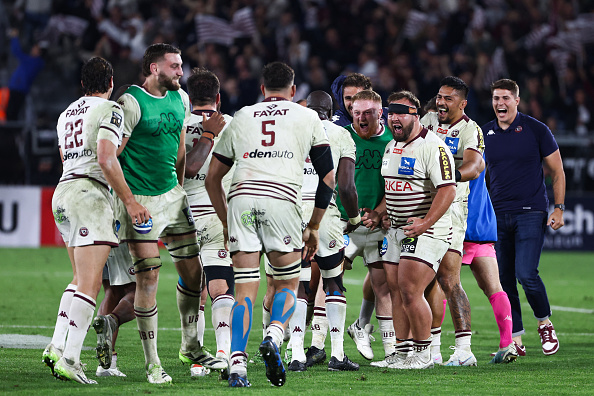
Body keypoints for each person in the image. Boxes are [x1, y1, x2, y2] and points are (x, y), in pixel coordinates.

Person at [205, 62, 335, 387]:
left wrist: (225, 222)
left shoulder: (242, 116)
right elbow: (329, 177)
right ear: (293, 91)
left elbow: (212, 179)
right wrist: (315, 225)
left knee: (245, 290)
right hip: (281, 202)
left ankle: (236, 365)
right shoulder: (307, 116)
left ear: (262, 89)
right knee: (288, 284)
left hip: (241, 201)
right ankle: (275, 337)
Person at [115, 43, 225, 384]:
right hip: (142, 201)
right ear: (154, 68)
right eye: (174, 66)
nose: (181, 72)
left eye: (180, 65)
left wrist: (178, 189)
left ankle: (191, 345)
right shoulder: (130, 102)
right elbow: (112, 154)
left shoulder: (182, 100)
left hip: (173, 198)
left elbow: (179, 152)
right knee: (148, 276)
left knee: (195, 277)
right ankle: (152, 364)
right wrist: (127, 201)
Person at [42, 56, 149, 384]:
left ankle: (56, 346)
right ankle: (71, 359)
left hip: (62, 192)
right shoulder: (110, 110)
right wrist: (129, 201)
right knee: (90, 282)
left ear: (82, 84)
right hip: (90, 195)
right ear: (111, 82)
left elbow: (64, 157)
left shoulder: (65, 114)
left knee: (78, 277)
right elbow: (106, 157)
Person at [365, 90, 456, 369]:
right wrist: (380, 212)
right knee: (395, 289)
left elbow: (448, 190)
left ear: (416, 116)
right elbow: (392, 189)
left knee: (409, 287)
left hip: (427, 230)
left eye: (401, 112)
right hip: (396, 229)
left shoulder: (433, 146)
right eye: (391, 113)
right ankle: (402, 352)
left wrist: (425, 223)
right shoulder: (392, 146)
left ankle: (424, 352)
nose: (394, 118)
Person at [483, 78, 565, 356]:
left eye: (506, 98)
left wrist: (559, 208)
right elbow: (478, 174)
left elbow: (557, 171)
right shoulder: (484, 134)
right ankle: (516, 338)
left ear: (517, 101)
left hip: (531, 211)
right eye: (496, 98)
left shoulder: (536, 129)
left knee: (526, 273)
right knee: (504, 279)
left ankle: (544, 323)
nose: (500, 103)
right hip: (497, 215)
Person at [285, 90, 360, 372]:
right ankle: (337, 355)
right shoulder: (341, 135)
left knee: (298, 285)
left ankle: (295, 355)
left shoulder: (292, 131)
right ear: (332, 110)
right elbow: (346, 186)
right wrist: (352, 218)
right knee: (333, 281)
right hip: (324, 212)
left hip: (290, 213)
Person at [420, 76, 485, 366]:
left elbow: (472, 166)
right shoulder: (429, 119)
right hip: (422, 205)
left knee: (448, 278)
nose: (441, 102)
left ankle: (464, 349)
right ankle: (432, 348)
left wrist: (447, 178)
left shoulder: (470, 129)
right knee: (424, 280)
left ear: (462, 103)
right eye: (439, 96)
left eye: (448, 98)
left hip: (452, 209)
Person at [181, 67, 233, 376]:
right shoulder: (233, 127)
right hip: (217, 214)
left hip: (183, 218)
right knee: (220, 283)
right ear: (218, 97)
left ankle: (199, 359)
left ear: (189, 99)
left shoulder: (178, 125)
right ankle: (224, 353)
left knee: (192, 287)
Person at [340, 90, 396, 364]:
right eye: (356, 112)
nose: (361, 117)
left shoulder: (392, 141)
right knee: (320, 281)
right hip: (342, 224)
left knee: (381, 284)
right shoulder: (341, 136)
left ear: (380, 114)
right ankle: (307, 346)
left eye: (367, 113)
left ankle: (389, 351)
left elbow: (394, 184)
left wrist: (380, 212)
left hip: (376, 225)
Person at [463, 169, 518, 364]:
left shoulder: (442, 145)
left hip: (459, 224)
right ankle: (506, 344)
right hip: (483, 223)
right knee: (494, 287)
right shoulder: (477, 145)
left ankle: (431, 349)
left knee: (442, 286)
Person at [93, 242, 136, 377]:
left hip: (100, 235)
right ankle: (110, 323)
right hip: (121, 233)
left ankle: (106, 365)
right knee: (140, 292)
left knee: (112, 292)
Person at [5, 28, 45, 121]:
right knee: (11, 111)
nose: (32, 49)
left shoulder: (35, 62)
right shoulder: (33, 61)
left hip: (19, 88)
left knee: (12, 112)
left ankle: (10, 132)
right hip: (17, 88)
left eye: (35, 48)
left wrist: (15, 37)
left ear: (39, 52)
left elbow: (16, 51)